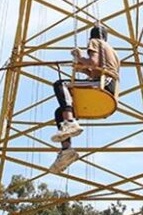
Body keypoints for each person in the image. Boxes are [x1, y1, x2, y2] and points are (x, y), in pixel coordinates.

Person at [49, 26, 120, 173]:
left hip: (103, 83)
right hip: (108, 85)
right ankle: (66, 150)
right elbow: (93, 70)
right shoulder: (111, 51)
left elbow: (93, 62)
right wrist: (80, 63)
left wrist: (80, 56)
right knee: (59, 112)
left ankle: (70, 122)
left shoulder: (95, 42)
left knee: (60, 84)